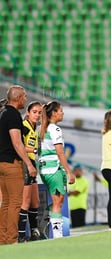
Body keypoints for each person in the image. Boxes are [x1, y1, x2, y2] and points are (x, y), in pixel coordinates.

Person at [0, 86, 37, 245]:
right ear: (18, 98)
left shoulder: (2, 113)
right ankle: (12, 239)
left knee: (6, 203)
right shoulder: (14, 115)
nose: (26, 99)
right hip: (11, 164)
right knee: (15, 202)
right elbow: (17, 142)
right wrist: (29, 164)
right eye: (25, 96)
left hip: (1, 162)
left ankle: (2, 239)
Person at [39, 101, 75, 238]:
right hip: (54, 168)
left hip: (44, 168)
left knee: (57, 201)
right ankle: (58, 235)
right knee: (57, 202)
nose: (62, 113)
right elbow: (60, 153)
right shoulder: (55, 129)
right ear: (53, 113)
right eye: (60, 110)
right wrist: (69, 171)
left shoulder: (42, 128)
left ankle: (43, 222)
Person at [18, 101, 42, 242]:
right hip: (25, 163)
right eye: (34, 112)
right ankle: (21, 236)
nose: (37, 115)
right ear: (28, 113)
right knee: (25, 202)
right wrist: (33, 150)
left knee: (35, 201)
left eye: (39, 112)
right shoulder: (24, 126)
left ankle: (34, 233)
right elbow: (19, 145)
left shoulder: (34, 128)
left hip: (32, 163)